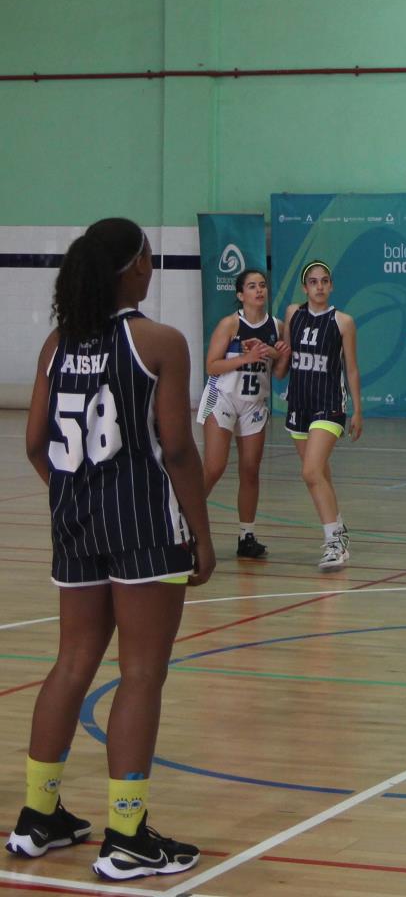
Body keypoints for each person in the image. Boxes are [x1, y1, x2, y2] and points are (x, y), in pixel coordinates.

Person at [5, 218, 215, 880]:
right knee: (142, 673)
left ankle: (39, 817)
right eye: (148, 258)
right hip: (144, 524)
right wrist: (200, 535)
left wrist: (78, 498)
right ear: (131, 267)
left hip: (75, 523)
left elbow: (36, 444)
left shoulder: (58, 343)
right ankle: (126, 835)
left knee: (72, 661)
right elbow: (178, 449)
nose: (153, 267)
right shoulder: (159, 342)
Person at [197, 268, 291, 559]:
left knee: (250, 470)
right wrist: (245, 358)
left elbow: (278, 374)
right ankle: (182, 525)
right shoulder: (230, 324)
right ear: (241, 294)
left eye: (262, 285)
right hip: (222, 397)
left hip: (253, 402)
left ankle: (246, 535)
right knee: (214, 467)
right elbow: (211, 366)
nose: (259, 290)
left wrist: (282, 355)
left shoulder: (277, 326)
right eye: (252, 286)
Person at [284, 261, 362, 571]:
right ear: (305, 288)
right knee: (320, 475)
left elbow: (351, 368)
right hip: (299, 403)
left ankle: (334, 544)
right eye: (313, 281)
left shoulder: (343, 322)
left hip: (329, 403)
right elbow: (286, 353)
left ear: (331, 286)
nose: (319, 286)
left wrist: (358, 409)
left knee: (311, 471)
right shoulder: (293, 314)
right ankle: (339, 528)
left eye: (324, 281)